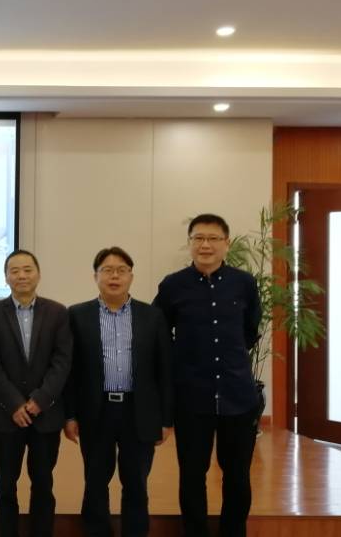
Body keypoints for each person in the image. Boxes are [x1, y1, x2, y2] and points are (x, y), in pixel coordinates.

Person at [153, 213, 261, 537]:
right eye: (198, 238)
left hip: (237, 397)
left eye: (213, 238)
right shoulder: (172, 285)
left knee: (237, 476)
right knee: (192, 475)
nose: (205, 245)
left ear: (226, 244)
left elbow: (250, 331)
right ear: (190, 243)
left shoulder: (244, 283)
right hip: (191, 398)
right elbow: (159, 335)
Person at [63, 247, 173, 537]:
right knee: (95, 481)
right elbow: (70, 371)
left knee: (136, 482)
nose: (115, 276)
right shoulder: (77, 315)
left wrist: (166, 419)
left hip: (139, 410)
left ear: (131, 277)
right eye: (107, 270)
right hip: (95, 409)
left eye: (121, 270)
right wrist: (70, 415)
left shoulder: (152, 316)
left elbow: (164, 370)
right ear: (95, 276)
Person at [0, 249, 72, 537]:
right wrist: (15, 404)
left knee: (43, 484)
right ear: (6, 277)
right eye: (15, 270)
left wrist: (40, 400)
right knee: (5, 485)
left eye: (27, 269)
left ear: (38, 274)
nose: (21, 275)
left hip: (46, 415)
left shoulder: (57, 312)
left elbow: (62, 361)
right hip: (6, 415)